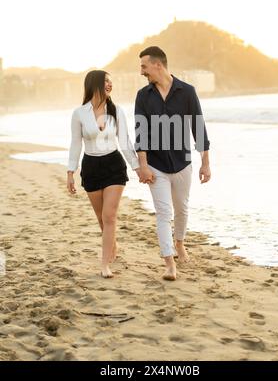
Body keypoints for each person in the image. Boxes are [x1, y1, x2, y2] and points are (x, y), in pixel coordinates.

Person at [134, 46, 211, 281]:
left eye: (144, 66)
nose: (142, 72)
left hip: (183, 163)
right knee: (163, 212)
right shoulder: (143, 96)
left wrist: (205, 163)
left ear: (158, 65)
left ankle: (179, 244)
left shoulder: (187, 92)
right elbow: (141, 132)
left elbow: (199, 127)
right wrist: (143, 166)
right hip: (156, 165)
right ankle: (169, 263)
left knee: (182, 209)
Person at [67, 70, 140, 278]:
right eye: (106, 81)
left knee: (109, 216)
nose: (110, 85)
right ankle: (112, 245)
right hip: (91, 167)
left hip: (113, 165)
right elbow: (75, 144)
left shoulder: (117, 111)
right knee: (101, 218)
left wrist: (138, 168)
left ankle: (104, 264)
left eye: (111, 81)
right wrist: (70, 172)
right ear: (95, 84)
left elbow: (125, 142)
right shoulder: (79, 113)